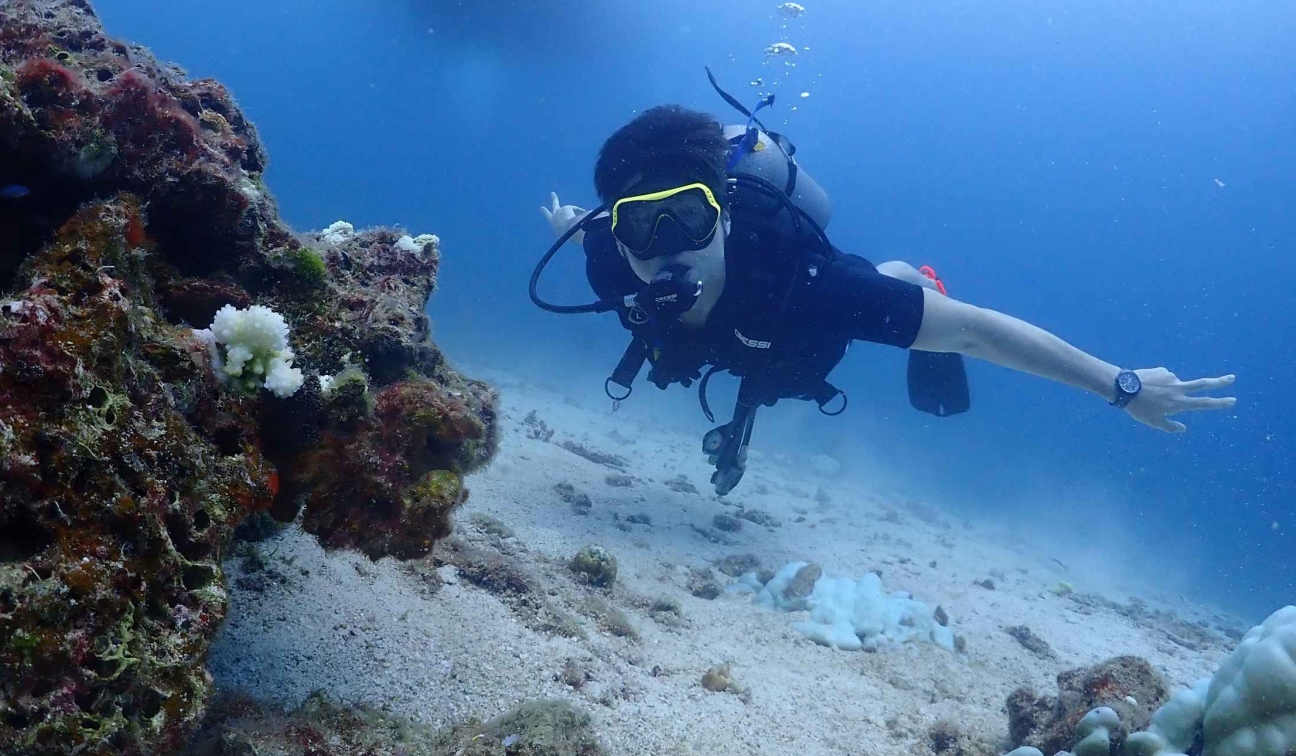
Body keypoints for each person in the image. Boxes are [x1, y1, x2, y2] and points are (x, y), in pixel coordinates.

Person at [529, 97, 1236, 495]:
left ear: (726, 212)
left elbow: (974, 333)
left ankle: (909, 275)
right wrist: (574, 223)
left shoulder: (805, 283)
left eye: (687, 215)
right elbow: (595, 231)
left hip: (797, 334)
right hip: (735, 347)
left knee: (863, 310)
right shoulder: (610, 261)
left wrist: (1121, 384)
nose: (666, 247)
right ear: (614, 235)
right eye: (639, 227)